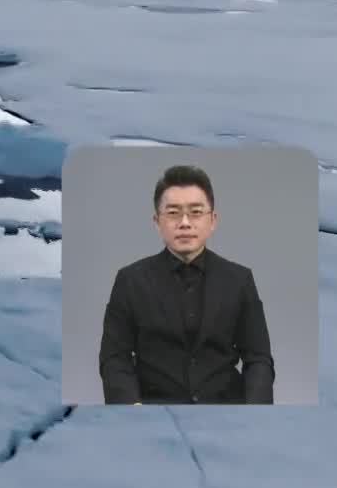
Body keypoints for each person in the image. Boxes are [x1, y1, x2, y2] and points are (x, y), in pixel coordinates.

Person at [98, 164, 274, 404]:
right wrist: (132, 409)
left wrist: (255, 413)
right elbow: (114, 357)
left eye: (195, 212)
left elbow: (259, 359)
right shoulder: (130, 280)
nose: (184, 223)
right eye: (173, 213)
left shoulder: (240, 279)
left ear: (213, 220)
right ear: (156, 221)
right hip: (155, 414)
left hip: (225, 412)